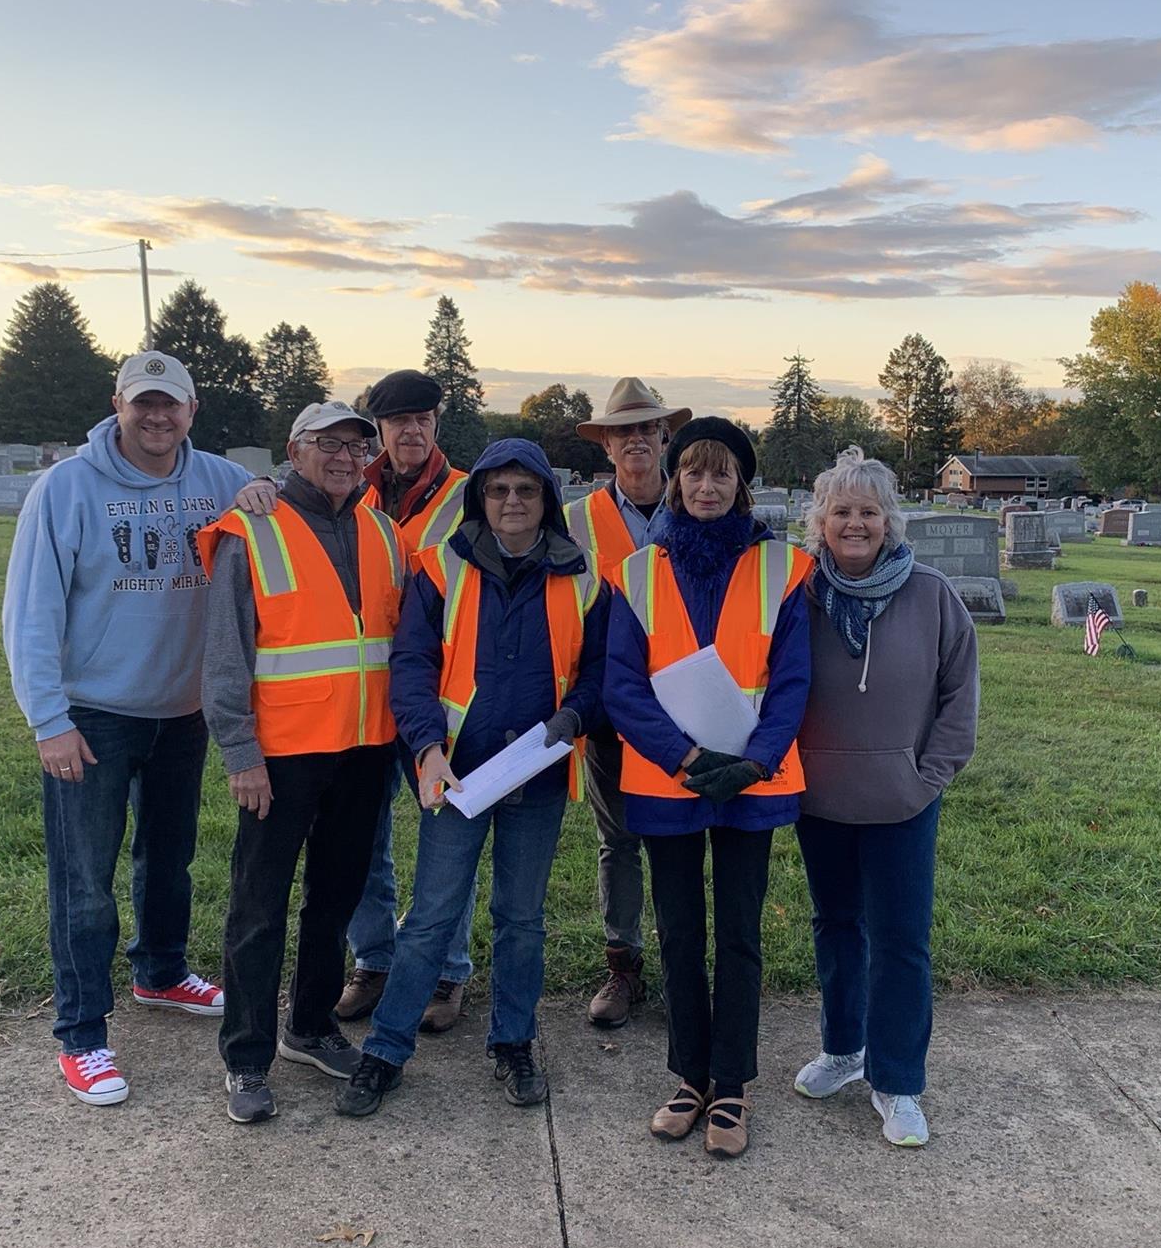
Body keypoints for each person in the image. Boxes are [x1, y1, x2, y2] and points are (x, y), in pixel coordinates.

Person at [1, 351, 249, 1106]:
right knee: (85, 885)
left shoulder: (220, 482)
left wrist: (270, 489)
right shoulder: (67, 489)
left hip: (183, 712)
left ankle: (162, 971)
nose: (157, 416)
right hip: (93, 715)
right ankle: (81, 1034)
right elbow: (30, 612)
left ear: (192, 409)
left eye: (169, 403)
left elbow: (280, 513)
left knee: (168, 861)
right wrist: (49, 720)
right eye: (143, 402)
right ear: (118, 403)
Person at [337, 439, 608, 1117]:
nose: (512, 502)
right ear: (479, 498)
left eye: (526, 489)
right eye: (498, 491)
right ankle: (387, 1049)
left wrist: (576, 716)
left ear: (547, 498)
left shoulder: (584, 575)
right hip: (457, 776)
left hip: (538, 776)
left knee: (521, 919)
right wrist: (427, 747)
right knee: (431, 914)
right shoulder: (441, 568)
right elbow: (412, 666)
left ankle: (513, 1040)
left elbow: (605, 673)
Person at [604, 418, 811, 1158]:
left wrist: (754, 760)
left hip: (753, 781)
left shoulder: (783, 567)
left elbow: (792, 680)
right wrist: (685, 757)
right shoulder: (636, 571)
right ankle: (688, 1074)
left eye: (721, 473)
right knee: (682, 932)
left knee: (740, 936)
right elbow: (621, 686)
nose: (706, 486)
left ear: (741, 483)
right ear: (674, 479)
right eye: (693, 472)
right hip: (670, 779)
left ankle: (732, 1082)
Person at [197, 401, 405, 1123]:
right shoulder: (250, 527)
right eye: (328, 443)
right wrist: (240, 752)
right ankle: (247, 1057)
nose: (345, 455)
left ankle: (310, 1027)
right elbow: (226, 651)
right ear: (295, 449)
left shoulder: (384, 529)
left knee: (335, 900)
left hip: (364, 747)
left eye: (357, 444)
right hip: (280, 756)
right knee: (258, 907)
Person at [789, 448, 977, 1148]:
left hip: (903, 798)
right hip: (820, 797)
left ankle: (897, 1080)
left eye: (868, 510)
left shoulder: (930, 593)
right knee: (836, 926)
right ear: (821, 520)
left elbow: (961, 689)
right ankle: (844, 1049)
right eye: (841, 510)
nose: (855, 522)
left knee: (901, 941)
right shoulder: (800, 594)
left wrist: (930, 773)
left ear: (889, 519)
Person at [338, 370, 476, 1035]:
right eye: (398, 422)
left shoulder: (469, 493)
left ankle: (448, 968)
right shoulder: (349, 493)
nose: (412, 430)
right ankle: (375, 958)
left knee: (446, 831)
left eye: (423, 418)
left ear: (436, 423)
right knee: (361, 835)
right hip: (362, 690)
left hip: (442, 691)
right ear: (380, 432)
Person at [565, 377, 691, 1027]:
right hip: (610, 702)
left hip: (688, 699)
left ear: (665, 438)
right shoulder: (576, 520)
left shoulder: (695, 504)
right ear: (607, 445)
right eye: (623, 431)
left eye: (647, 428)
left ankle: (684, 966)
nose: (636, 440)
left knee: (679, 839)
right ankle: (623, 969)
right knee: (617, 840)